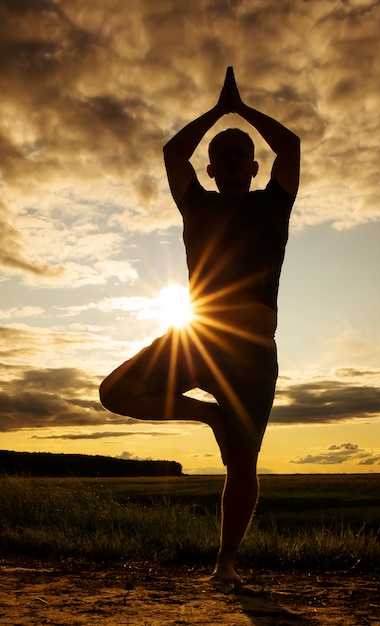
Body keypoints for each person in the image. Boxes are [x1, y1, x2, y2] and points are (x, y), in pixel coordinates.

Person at [99, 67, 300, 583]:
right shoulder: (197, 206)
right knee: (115, 392)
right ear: (210, 170)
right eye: (222, 156)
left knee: (243, 462)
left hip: (252, 355)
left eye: (241, 155)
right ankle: (208, 417)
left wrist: (243, 110)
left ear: (254, 167)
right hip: (197, 339)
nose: (232, 161)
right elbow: (172, 153)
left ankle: (225, 564)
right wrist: (217, 111)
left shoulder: (275, 204)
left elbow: (292, 146)